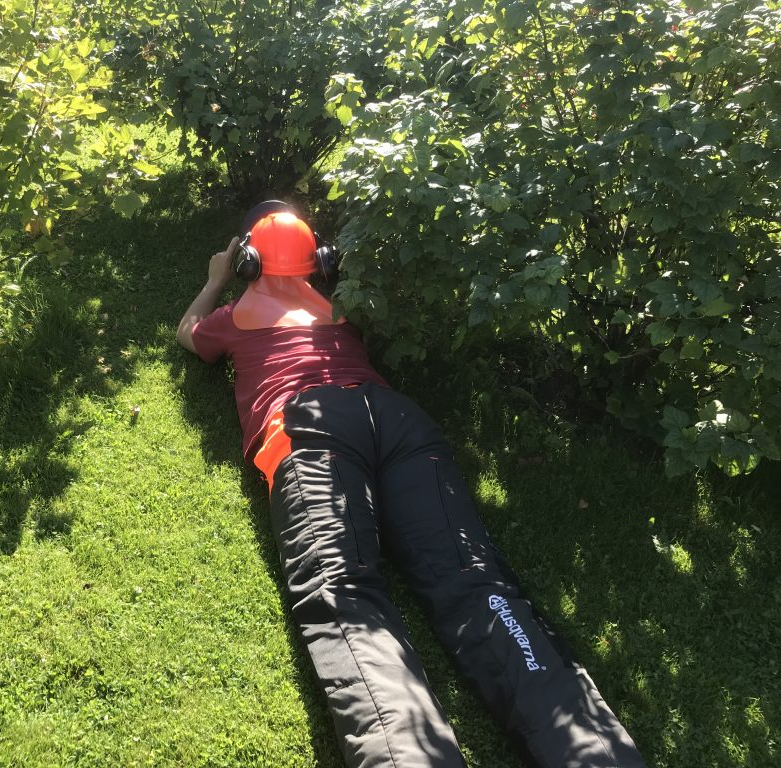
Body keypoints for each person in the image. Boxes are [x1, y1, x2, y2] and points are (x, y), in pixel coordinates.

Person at [176, 201, 646, 768]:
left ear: (248, 262)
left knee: (346, 594)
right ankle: (594, 753)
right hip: (398, 419)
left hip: (311, 427)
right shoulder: (340, 310)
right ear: (318, 261)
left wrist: (214, 280)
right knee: (475, 581)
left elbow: (187, 334)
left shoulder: (236, 316)